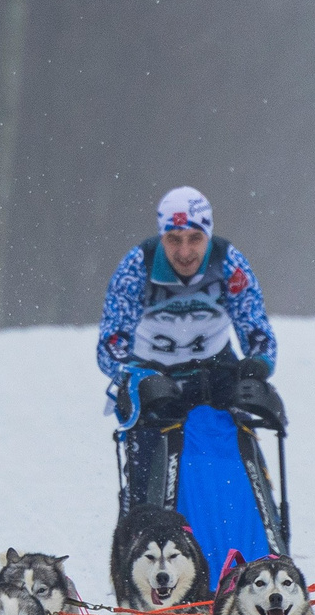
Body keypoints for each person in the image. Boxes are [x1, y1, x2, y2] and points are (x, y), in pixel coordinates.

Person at [97, 188, 285, 557]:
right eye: (174, 239)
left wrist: (258, 364)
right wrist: (133, 375)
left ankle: (256, 551)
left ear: (209, 235)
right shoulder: (138, 265)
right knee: (149, 480)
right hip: (151, 372)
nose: (185, 252)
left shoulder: (229, 263)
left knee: (233, 458)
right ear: (161, 236)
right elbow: (110, 343)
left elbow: (258, 331)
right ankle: (142, 555)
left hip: (215, 369)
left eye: (195, 238)